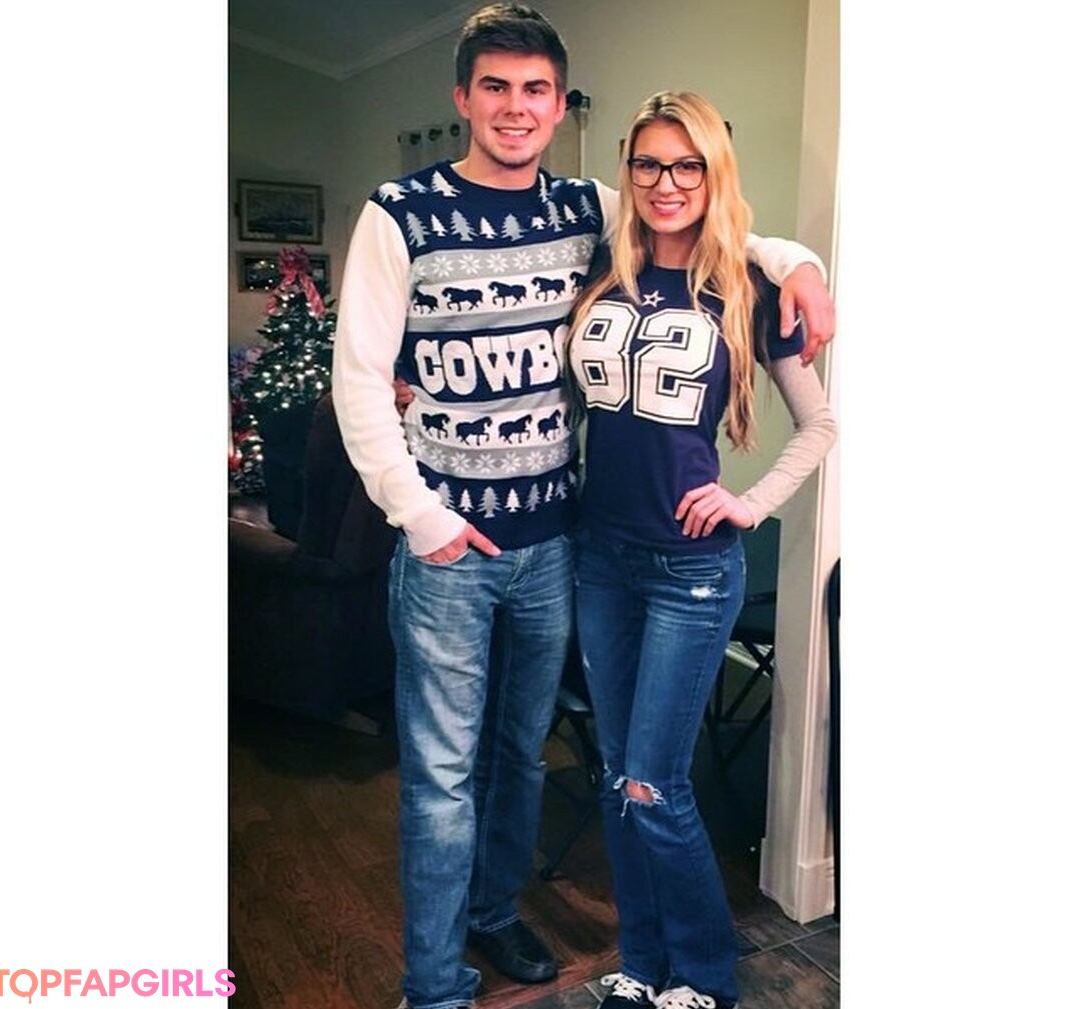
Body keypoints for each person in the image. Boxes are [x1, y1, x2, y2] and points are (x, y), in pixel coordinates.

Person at [332, 7, 835, 1009]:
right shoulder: (406, 212)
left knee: (536, 755)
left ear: (560, 106)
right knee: (451, 774)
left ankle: (515, 918)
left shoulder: (586, 212)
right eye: (495, 87)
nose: (515, 108)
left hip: (566, 545)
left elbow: (712, 227)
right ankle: (437, 986)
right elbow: (358, 380)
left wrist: (803, 266)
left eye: (535, 90)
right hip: (468, 549)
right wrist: (421, 518)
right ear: (463, 97)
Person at [566, 91, 838, 1009]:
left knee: (655, 781)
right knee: (617, 776)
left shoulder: (750, 287)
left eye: (688, 165)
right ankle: (643, 964)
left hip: (689, 570)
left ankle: (707, 975)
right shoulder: (601, 267)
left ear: (714, 172)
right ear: (628, 171)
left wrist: (747, 503)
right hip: (601, 559)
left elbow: (819, 424)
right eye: (648, 163)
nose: (666, 182)